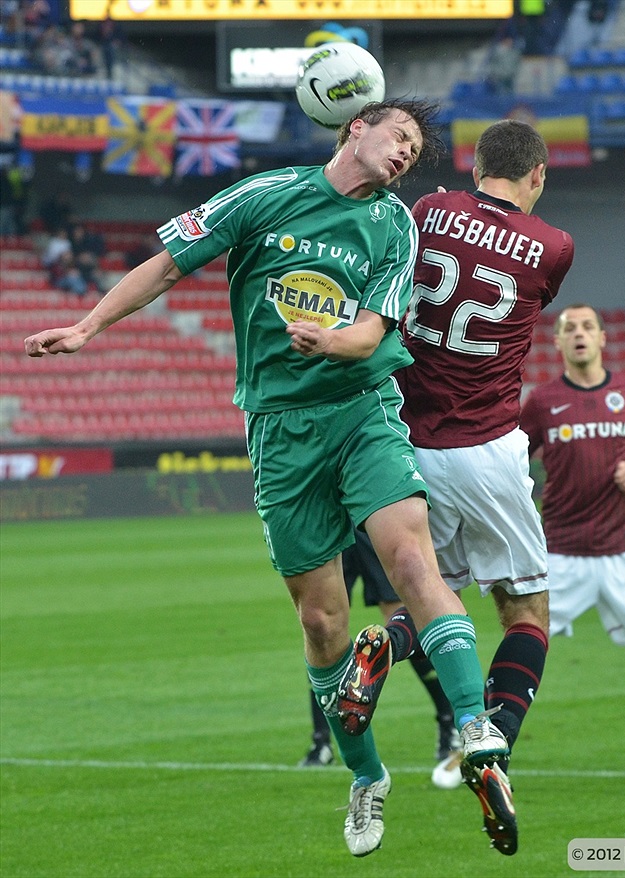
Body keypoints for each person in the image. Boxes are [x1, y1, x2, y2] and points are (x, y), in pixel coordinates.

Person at [23, 99, 511, 859]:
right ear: (357, 126)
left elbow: (375, 333)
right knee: (321, 625)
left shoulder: (395, 225)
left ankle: (478, 726)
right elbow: (166, 265)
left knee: (411, 557)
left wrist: (332, 341)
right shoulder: (262, 196)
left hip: (361, 409)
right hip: (280, 433)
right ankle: (366, 777)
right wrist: (89, 325)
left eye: (416, 151)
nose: (405, 155)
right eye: (401, 138)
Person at [339, 119, 574, 855]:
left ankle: (382, 641)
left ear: (474, 167)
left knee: (435, 596)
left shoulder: (428, 211)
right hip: (490, 449)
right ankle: (491, 742)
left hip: (407, 443)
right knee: (526, 611)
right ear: (535, 175)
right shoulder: (555, 246)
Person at [520, 303, 625, 788]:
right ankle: (486, 751)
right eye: (569, 328)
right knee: (525, 642)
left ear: (603, 338)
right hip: (562, 551)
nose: (579, 334)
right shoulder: (543, 402)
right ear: (559, 343)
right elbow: (513, 460)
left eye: (588, 327)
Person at [299, 527, 460, 781]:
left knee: (398, 618)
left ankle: (448, 722)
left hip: (367, 520)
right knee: (320, 629)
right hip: (328, 520)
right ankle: (321, 742)